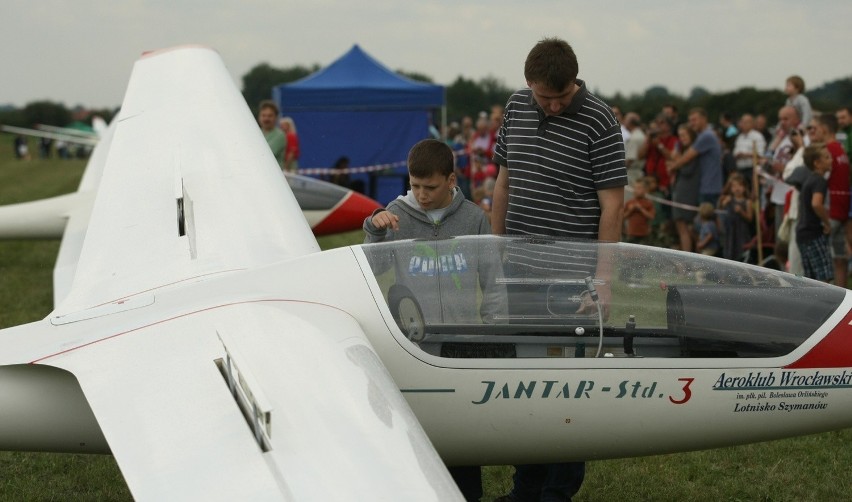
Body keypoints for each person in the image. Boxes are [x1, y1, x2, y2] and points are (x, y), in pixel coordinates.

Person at [491, 37, 627, 502]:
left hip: (574, 276)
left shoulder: (600, 119)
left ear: (575, 82)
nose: (552, 106)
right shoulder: (515, 107)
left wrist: (604, 279)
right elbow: (504, 180)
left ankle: (558, 490)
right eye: (544, 97)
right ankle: (524, 486)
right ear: (528, 84)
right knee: (524, 383)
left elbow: (612, 206)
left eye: (561, 97)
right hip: (519, 267)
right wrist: (494, 250)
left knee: (567, 385)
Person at [362, 138, 503, 501]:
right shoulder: (394, 215)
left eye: (431, 187)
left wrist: (495, 329)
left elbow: (492, 277)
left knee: (461, 434)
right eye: (415, 185)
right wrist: (375, 231)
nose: (421, 195)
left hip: (464, 342)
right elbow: (373, 270)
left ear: (452, 179)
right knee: (415, 434)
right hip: (414, 343)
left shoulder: (474, 218)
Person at [807, 113, 850, 288]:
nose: (812, 132)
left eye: (814, 128)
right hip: (842, 209)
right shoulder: (841, 150)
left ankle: (829, 297)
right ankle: (844, 294)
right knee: (840, 259)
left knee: (826, 260)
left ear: (823, 129)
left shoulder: (827, 151)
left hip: (830, 210)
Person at [667, 108, 722, 206]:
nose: (691, 123)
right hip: (703, 185)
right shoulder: (700, 135)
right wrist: (676, 147)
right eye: (690, 121)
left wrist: (673, 166)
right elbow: (681, 141)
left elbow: (687, 157)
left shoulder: (706, 136)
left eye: (694, 120)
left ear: (704, 119)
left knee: (707, 218)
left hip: (709, 186)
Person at [796, 143, 833, 282]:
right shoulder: (820, 181)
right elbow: (816, 203)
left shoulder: (809, 179)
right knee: (823, 278)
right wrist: (827, 222)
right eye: (827, 157)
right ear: (817, 163)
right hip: (814, 233)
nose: (831, 160)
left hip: (802, 234)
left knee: (811, 279)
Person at [668, 124, 701, 252]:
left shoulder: (693, 152)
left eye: (684, 135)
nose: (682, 138)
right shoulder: (681, 151)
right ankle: (686, 257)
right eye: (680, 135)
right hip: (679, 191)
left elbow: (688, 170)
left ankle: (697, 258)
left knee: (691, 228)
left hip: (689, 193)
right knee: (681, 227)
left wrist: (676, 162)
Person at [719, 175, 753, 261]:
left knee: (741, 252)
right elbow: (720, 208)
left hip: (741, 232)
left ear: (744, 187)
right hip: (731, 231)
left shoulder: (747, 202)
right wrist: (724, 202)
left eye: (740, 186)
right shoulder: (729, 199)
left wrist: (741, 212)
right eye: (734, 186)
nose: (737, 189)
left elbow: (750, 218)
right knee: (730, 250)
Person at [732, 113, 766, 187]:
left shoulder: (757, 136)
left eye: (746, 122)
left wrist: (746, 155)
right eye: (742, 122)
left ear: (752, 124)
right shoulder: (739, 137)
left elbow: (761, 155)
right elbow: (735, 153)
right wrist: (738, 155)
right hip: (741, 170)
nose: (743, 124)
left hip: (753, 170)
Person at [622, 177, 655, 245]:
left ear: (645, 190)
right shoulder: (629, 203)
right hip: (631, 233)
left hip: (644, 234)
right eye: (635, 188)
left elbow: (651, 216)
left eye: (639, 188)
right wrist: (630, 210)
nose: (636, 190)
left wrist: (641, 209)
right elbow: (623, 217)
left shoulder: (648, 203)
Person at [257, 100, 286, 168]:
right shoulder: (255, 134)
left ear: (276, 117)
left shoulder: (280, 135)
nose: (266, 119)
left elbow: (265, 154)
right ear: (259, 117)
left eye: (270, 116)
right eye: (263, 115)